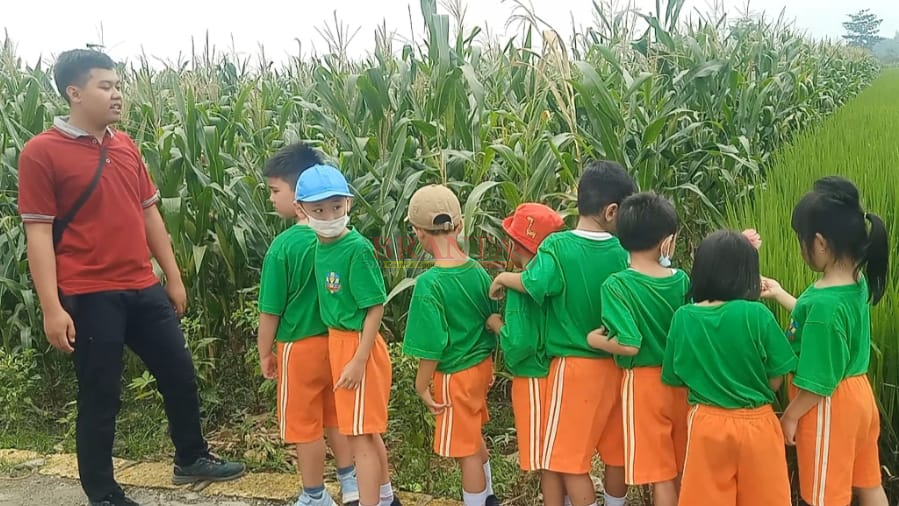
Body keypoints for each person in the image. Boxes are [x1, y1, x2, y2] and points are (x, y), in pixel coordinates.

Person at [16, 49, 244, 506]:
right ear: (74, 92)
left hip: (143, 286)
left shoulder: (124, 145)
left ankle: (191, 457)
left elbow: (150, 215)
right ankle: (102, 492)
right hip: (88, 293)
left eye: (118, 85)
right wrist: (51, 307)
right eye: (106, 86)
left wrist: (173, 278)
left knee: (179, 374)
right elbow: (38, 234)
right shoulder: (41, 153)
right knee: (101, 396)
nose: (117, 94)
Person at [489, 161, 636, 506]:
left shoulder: (557, 247)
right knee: (616, 453)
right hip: (617, 364)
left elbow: (536, 282)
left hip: (573, 370)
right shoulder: (622, 252)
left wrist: (502, 279)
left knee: (568, 461)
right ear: (612, 211)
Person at [762, 176, 890, 506]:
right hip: (859, 397)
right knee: (869, 483)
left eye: (800, 240)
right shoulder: (856, 281)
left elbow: (819, 382)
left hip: (828, 406)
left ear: (819, 243)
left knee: (823, 497)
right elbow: (819, 322)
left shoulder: (823, 306)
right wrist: (781, 295)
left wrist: (789, 416)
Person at [661, 230, 796, 506]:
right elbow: (777, 374)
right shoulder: (756, 314)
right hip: (758, 422)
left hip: (706, 424)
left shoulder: (683, 317)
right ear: (748, 274)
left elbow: (676, 376)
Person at [258, 143, 360, 506]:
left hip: (297, 349)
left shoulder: (283, 247)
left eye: (275, 191)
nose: (272, 200)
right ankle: (351, 484)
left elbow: (269, 311)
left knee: (306, 427)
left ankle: (314, 494)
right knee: (336, 418)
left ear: (299, 194)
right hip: (337, 344)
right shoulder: (343, 240)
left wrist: (264, 352)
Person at [294, 164, 399, 506]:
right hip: (341, 344)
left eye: (336, 207)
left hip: (358, 346)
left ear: (349, 204)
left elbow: (375, 308)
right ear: (302, 211)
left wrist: (358, 360)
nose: (329, 215)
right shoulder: (318, 247)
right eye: (319, 210)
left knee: (360, 439)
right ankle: (385, 498)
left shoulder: (357, 249)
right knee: (365, 431)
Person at [586, 192, 689, 506]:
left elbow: (629, 344)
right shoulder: (681, 280)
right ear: (666, 242)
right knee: (683, 464)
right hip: (682, 381)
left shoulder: (617, 285)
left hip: (642, 388)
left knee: (660, 473)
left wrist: (595, 340)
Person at [402, 184, 500, 506]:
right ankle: (488, 496)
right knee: (473, 435)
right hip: (481, 368)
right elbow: (491, 320)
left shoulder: (429, 285)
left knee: (465, 451)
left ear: (418, 233)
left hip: (456, 376)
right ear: (458, 225)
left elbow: (432, 346)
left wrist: (421, 386)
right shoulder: (478, 271)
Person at [485, 203, 568, 506]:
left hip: (532, 378)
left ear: (516, 243)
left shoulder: (520, 287)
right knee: (562, 452)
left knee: (545, 457)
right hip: (558, 375)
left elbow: (519, 344)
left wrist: (496, 325)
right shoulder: (556, 277)